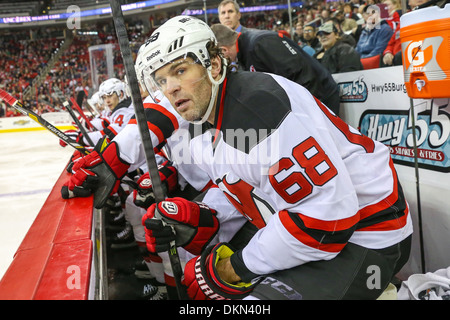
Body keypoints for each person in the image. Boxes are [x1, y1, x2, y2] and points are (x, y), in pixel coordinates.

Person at [139, 16, 413, 300]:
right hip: (322, 223)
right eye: (162, 80)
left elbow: (325, 222)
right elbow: (247, 184)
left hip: (370, 230)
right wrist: (204, 216)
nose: (170, 87)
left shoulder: (257, 110)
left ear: (215, 65)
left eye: (180, 71)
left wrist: (235, 268)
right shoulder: (202, 122)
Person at [210, 23, 341, 116]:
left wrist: (304, 113)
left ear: (223, 50)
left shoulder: (260, 43)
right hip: (307, 102)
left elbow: (303, 74)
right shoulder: (245, 50)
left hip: (320, 98)